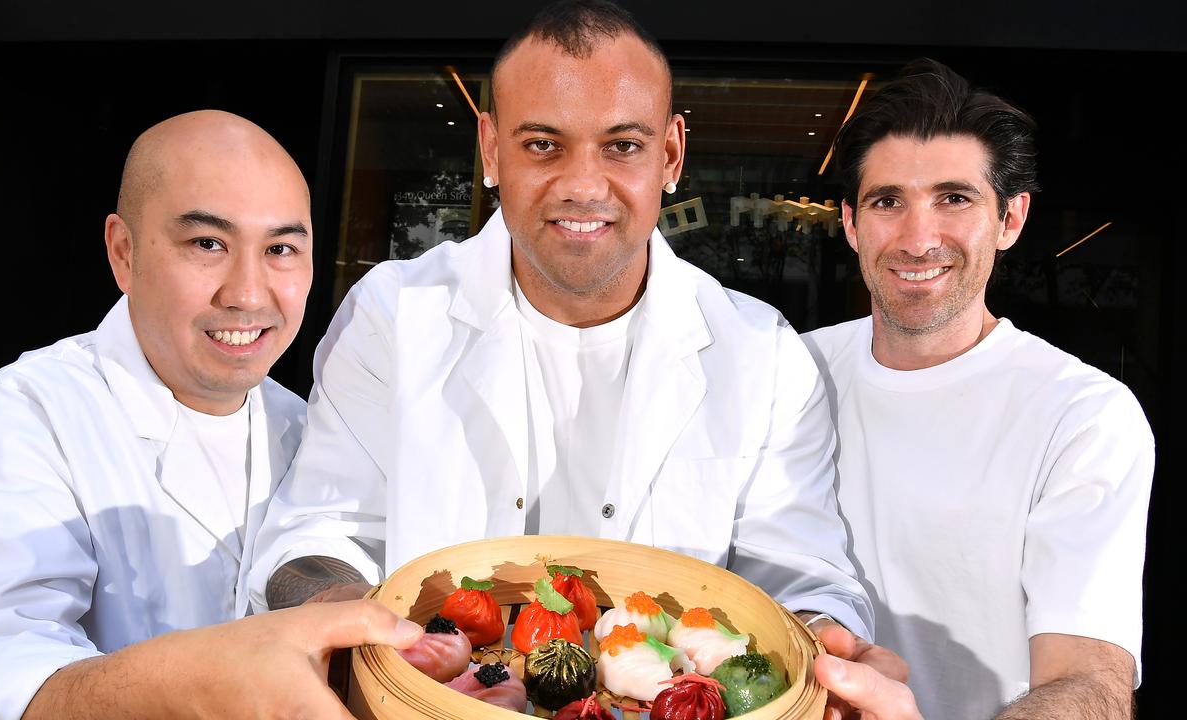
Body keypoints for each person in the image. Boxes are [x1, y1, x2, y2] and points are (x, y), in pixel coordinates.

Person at [253, 0, 880, 667]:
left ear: (670, 155)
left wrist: (829, 644)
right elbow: (316, 535)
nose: (583, 186)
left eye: (623, 146)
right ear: (493, 150)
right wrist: (368, 629)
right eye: (543, 145)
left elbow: (805, 580)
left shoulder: (764, 355)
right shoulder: (394, 315)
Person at [0, 110, 423, 720]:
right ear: (123, 252)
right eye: (208, 244)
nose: (249, 294)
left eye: (281, 249)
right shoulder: (28, 417)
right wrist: (198, 679)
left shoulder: (311, 428)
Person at [803, 59, 1154, 719]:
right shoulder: (787, 376)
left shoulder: (1083, 417)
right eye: (888, 202)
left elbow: (1092, 685)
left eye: (954, 198)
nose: (918, 238)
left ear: (1010, 219)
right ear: (851, 223)